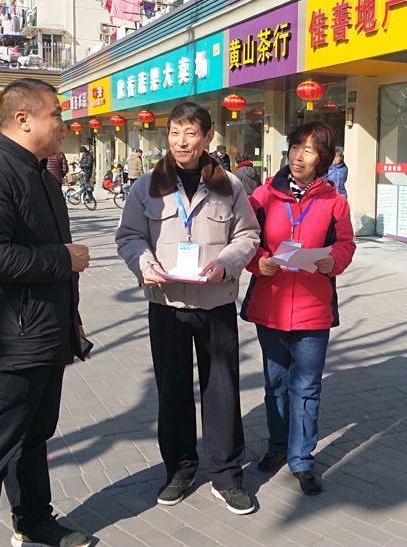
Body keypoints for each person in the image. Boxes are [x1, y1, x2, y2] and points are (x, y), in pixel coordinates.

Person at [0, 78, 92, 547]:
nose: (64, 124)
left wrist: (71, 319)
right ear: (23, 119)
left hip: (47, 336)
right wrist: (63, 259)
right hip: (6, 345)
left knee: (33, 439)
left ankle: (33, 520)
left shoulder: (43, 177)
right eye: (56, 115)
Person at [115, 102, 260, 515]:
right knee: (172, 389)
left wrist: (226, 264)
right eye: (175, 133)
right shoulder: (147, 185)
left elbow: (248, 235)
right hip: (167, 304)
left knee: (222, 389)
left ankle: (226, 475)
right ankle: (179, 470)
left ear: (208, 137)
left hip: (216, 302)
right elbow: (129, 236)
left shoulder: (230, 185)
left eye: (191, 133)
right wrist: (145, 265)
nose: (182, 142)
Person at [242, 121, 356, 496]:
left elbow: (346, 244)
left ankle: (302, 459)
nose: (298, 156)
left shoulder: (334, 201)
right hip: (270, 305)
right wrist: (257, 260)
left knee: (306, 387)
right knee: (275, 384)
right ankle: (277, 446)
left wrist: (333, 261)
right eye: (294, 148)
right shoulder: (263, 195)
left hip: (313, 308)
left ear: (323, 158)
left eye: (308, 150)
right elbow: (245, 239)